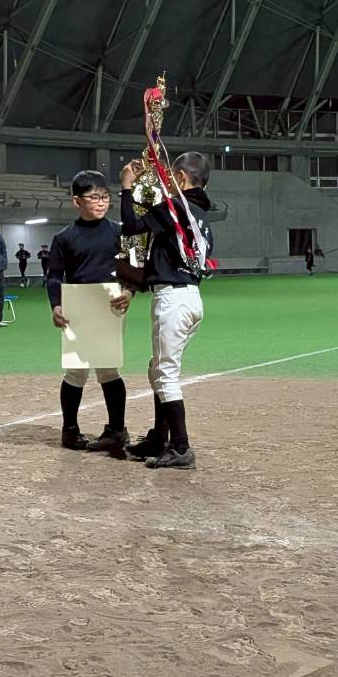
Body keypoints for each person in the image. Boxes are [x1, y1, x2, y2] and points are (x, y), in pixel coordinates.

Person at [118, 151, 214, 470]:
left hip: (172, 298)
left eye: (172, 175)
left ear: (182, 178)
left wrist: (127, 186)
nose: (168, 181)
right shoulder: (199, 215)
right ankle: (160, 438)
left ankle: (181, 447)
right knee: (157, 369)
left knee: (165, 374)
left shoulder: (174, 208)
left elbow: (131, 227)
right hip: (191, 299)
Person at [46, 171, 134, 452]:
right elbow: (54, 276)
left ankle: (117, 430)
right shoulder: (64, 237)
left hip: (111, 308)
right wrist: (56, 305)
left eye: (105, 197)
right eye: (94, 197)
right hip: (78, 309)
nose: (101, 202)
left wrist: (129, 292)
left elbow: (132, 267)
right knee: (75, 372)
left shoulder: (119, 232)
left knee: (109, 369)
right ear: (77, 201)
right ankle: (70, 431)